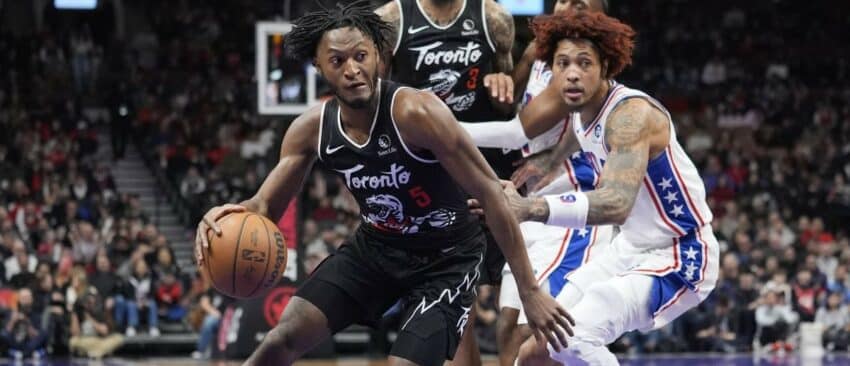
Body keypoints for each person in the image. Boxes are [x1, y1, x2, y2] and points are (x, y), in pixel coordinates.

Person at [194, 3, 571, 366]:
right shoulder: (311, 129)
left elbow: (492, 192)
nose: (353, 69)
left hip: (448, 258)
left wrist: (530, 290)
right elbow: (263, 208)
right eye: (338, 61)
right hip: (376, 249)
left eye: (361, 56)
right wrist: (223, 218)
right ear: (319, 67)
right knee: (282, 338)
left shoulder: (418, 112)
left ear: (378, 56)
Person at [464, 10, 719, 365]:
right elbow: (571, 138)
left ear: (606, 68)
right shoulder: (580, 112)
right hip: (629, 248)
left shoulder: (630, 117)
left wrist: (528, 208)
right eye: (563, 62)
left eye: (584, 63)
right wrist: (548, 161)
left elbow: (615, 204)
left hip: (680, 253)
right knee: (536, 348)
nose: (572, 72)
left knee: (575, 338)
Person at [374, 0, 519, 361]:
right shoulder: (390, 20)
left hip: (485, 171)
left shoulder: (494, 18)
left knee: (513, 304)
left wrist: (503, 87)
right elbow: (374, 102)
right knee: (456, 309)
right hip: (427, 179)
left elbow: (510, 111)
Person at [0, 288, 48, 361]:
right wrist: (13, 321)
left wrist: (27, 323)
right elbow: (6, 333)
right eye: (23, 298)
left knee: (44, 333)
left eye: (28, 297)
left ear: (32, 299)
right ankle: (33, 354)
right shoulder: (11, 313)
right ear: (19, 299)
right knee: (3, 334)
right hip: (16, 343)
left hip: (30, 343)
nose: (26, 300)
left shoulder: (37, 315)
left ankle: (17, 354)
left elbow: (37, 335)